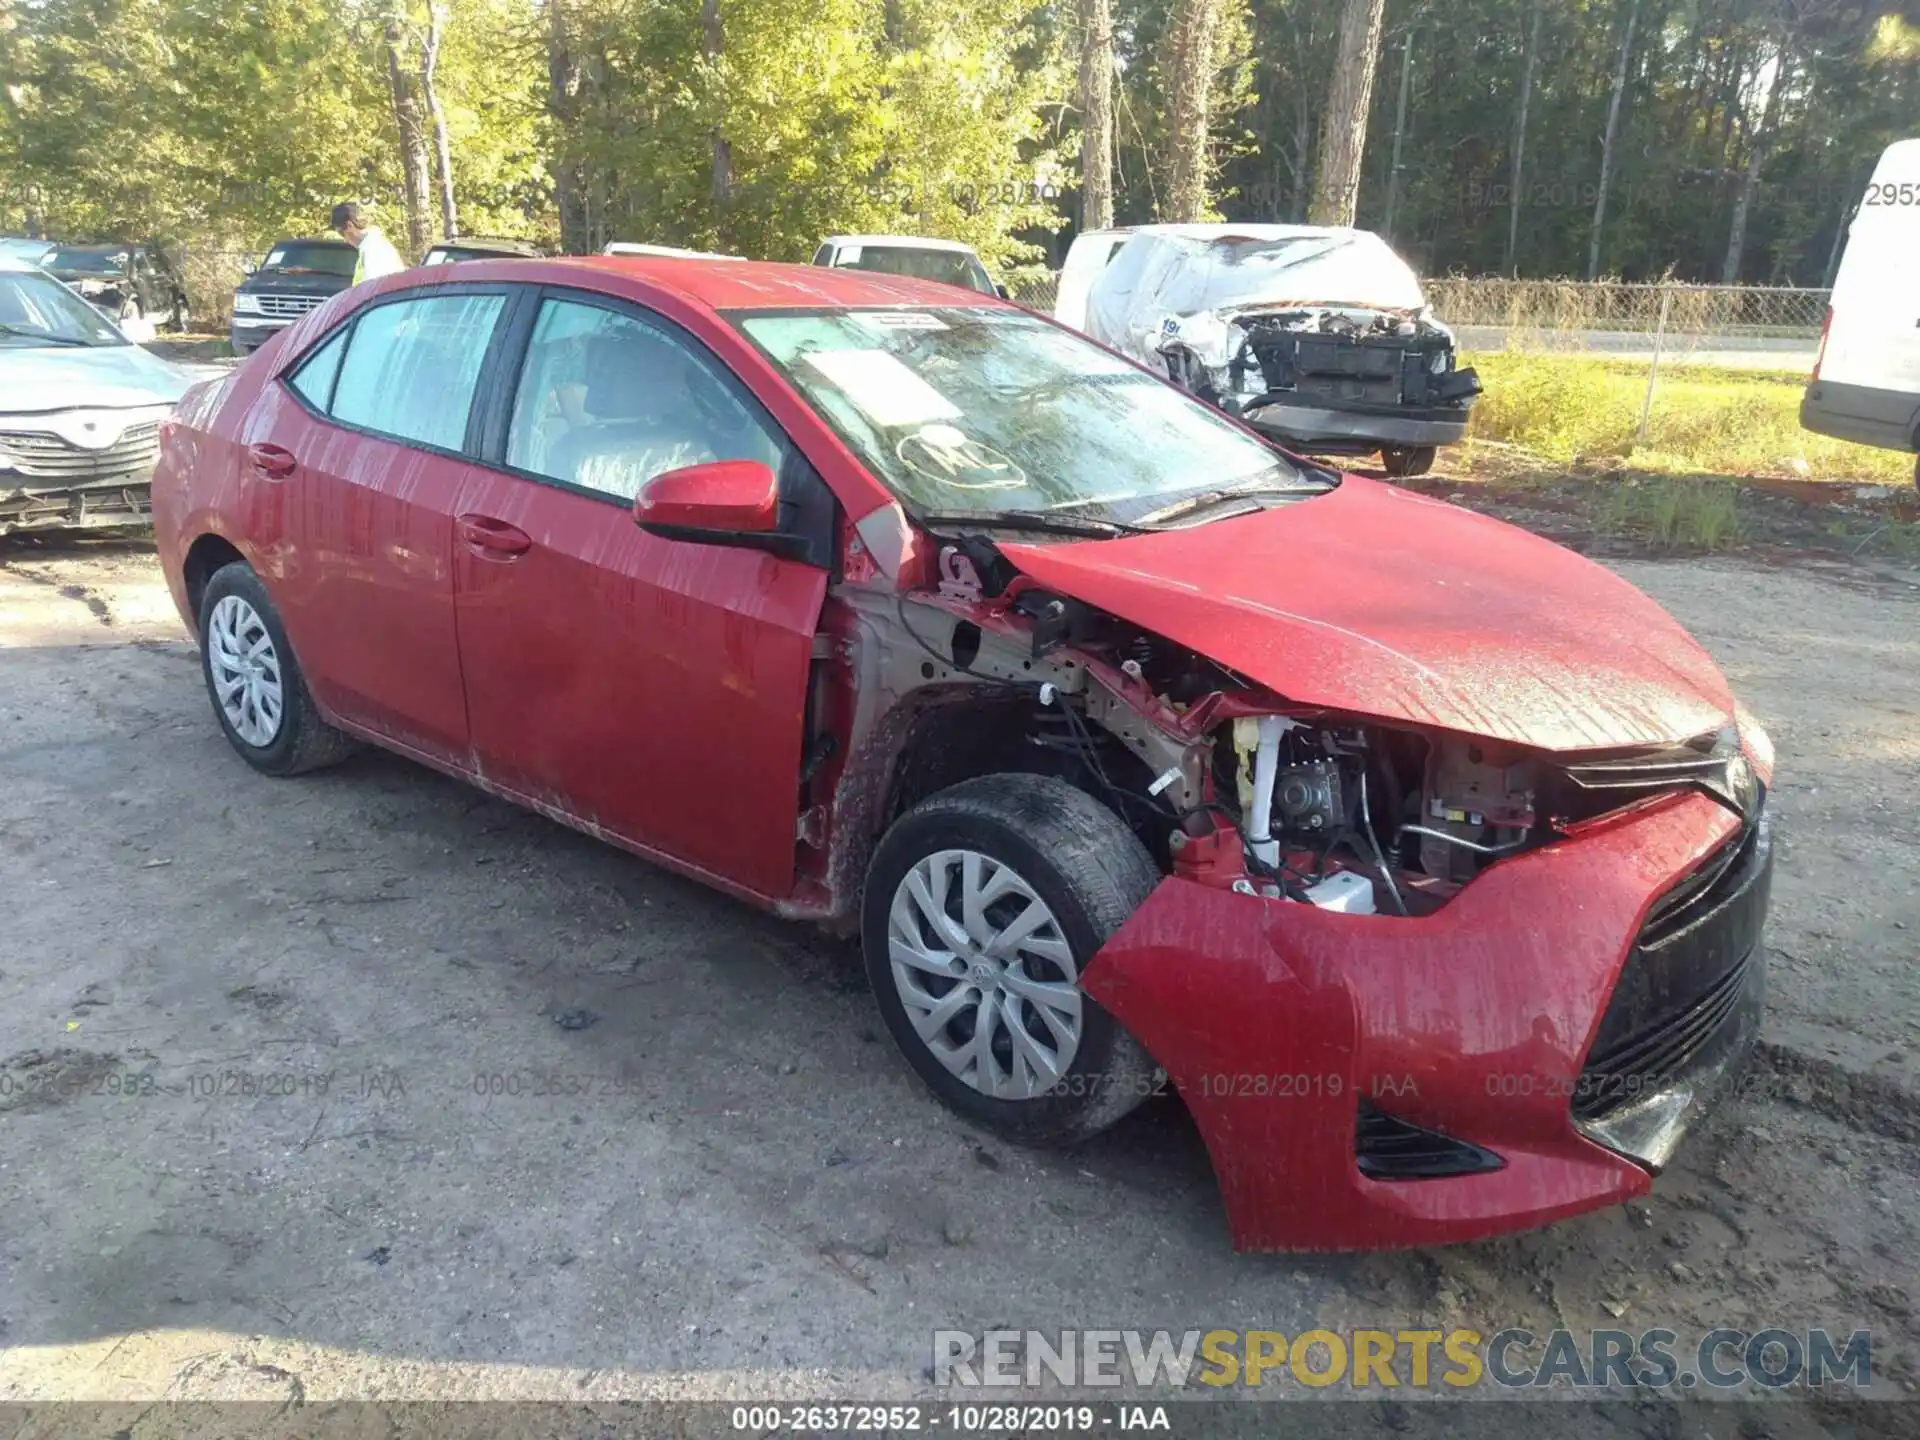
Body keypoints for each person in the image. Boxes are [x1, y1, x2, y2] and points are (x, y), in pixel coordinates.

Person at [328, 202, 405, 284]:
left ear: (350, 225)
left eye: (341, 233)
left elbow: (374, 289)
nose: (345, 240)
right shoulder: (371, 247)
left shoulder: (374, 249)